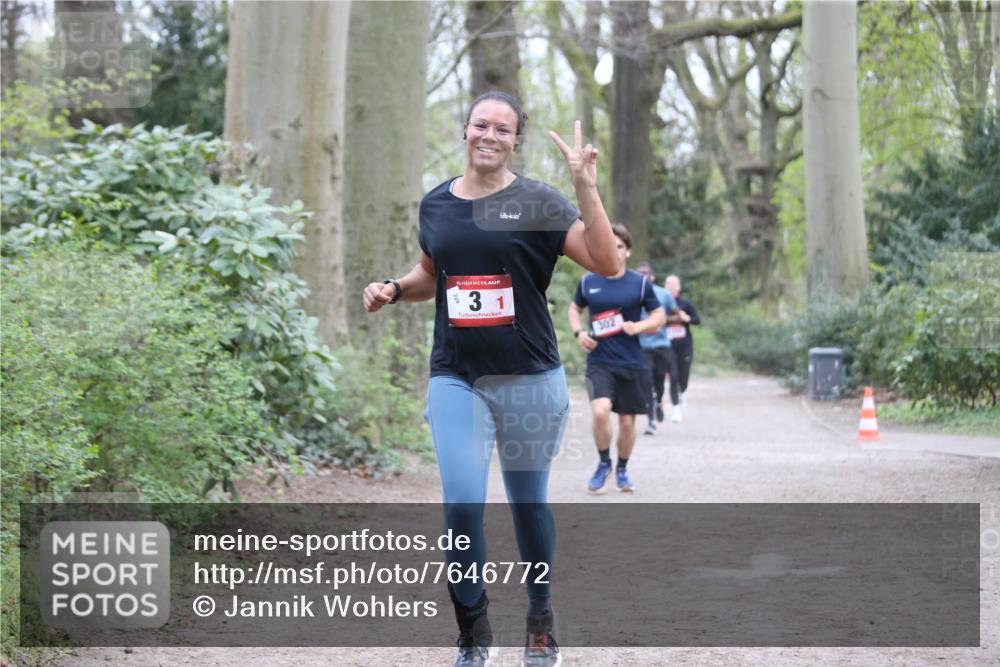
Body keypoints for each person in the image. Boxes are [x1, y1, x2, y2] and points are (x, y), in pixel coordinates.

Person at [363, 90, 617, 667]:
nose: (490, 136)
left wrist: (586, 187)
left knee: (528, 505)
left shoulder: (540, 203)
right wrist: (396, 288)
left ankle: (540, 619)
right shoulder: (436, 205)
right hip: (456, 375)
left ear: (516, 141)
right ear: (465, 129)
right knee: (461, 504)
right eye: (482, 125)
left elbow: (608, 264)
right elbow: (434, 273)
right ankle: (474, 632)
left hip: (528, 375)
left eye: (503, 130)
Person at [567, 225, 666, 494]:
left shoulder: (640, 283)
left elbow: (659, 315)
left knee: (626, 422)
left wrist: (639, 326)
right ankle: (603, 464)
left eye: (619, 247)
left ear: (628, 251)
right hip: (599, 361)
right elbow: (574, 309)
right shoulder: (589, 280)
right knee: (600, 412)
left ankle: (622, 468)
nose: (614, 251)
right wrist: (579, 333)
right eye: (609, 245)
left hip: (632, 362)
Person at [635, 262, 679, 434]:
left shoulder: (663, 294)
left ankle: (658, 402)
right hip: (641, 346)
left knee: (659, 381)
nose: (643, 277)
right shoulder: (632, 295)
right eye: (640, 274)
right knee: (646, 382)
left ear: (652, 276)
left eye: (646, 274)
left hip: (661, 346)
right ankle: (650, 420)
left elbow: (676, 314)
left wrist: (660, 320)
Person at [664, 274, 701, 417]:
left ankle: (682, 391)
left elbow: (697, 320)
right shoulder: (660, 302)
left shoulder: (685, 303)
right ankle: (676, 408)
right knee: (673, 375)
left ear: (679, 287)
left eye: (674, 284)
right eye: (668, 284)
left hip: (685, 345)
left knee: (683, 376)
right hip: (668, 345)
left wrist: (688, 318)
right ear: (665, 286)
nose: (671, 286)